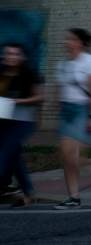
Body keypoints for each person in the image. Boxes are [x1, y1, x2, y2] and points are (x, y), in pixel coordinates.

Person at [56, 28, 91, 209]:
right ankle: (73, 196)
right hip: (66, 110)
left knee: (70, 153)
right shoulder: (63, 64)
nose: (67, 42)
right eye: (67, 39)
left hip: (82, 109)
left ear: (81, 43)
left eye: (71, 39)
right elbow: (59, 89)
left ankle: (90, 172)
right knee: (66, 155)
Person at [0, 43, 43, 208]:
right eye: (8, 54)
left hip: (23, 121)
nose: (11, 57)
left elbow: (39, 98)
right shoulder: (2, 72)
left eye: (15, 54)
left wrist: (18, 101)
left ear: (21, 57)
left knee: (6, 152)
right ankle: (29, 193)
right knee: (15, 158)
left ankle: (3, 184)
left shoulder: (29, 74)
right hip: (3, 120)